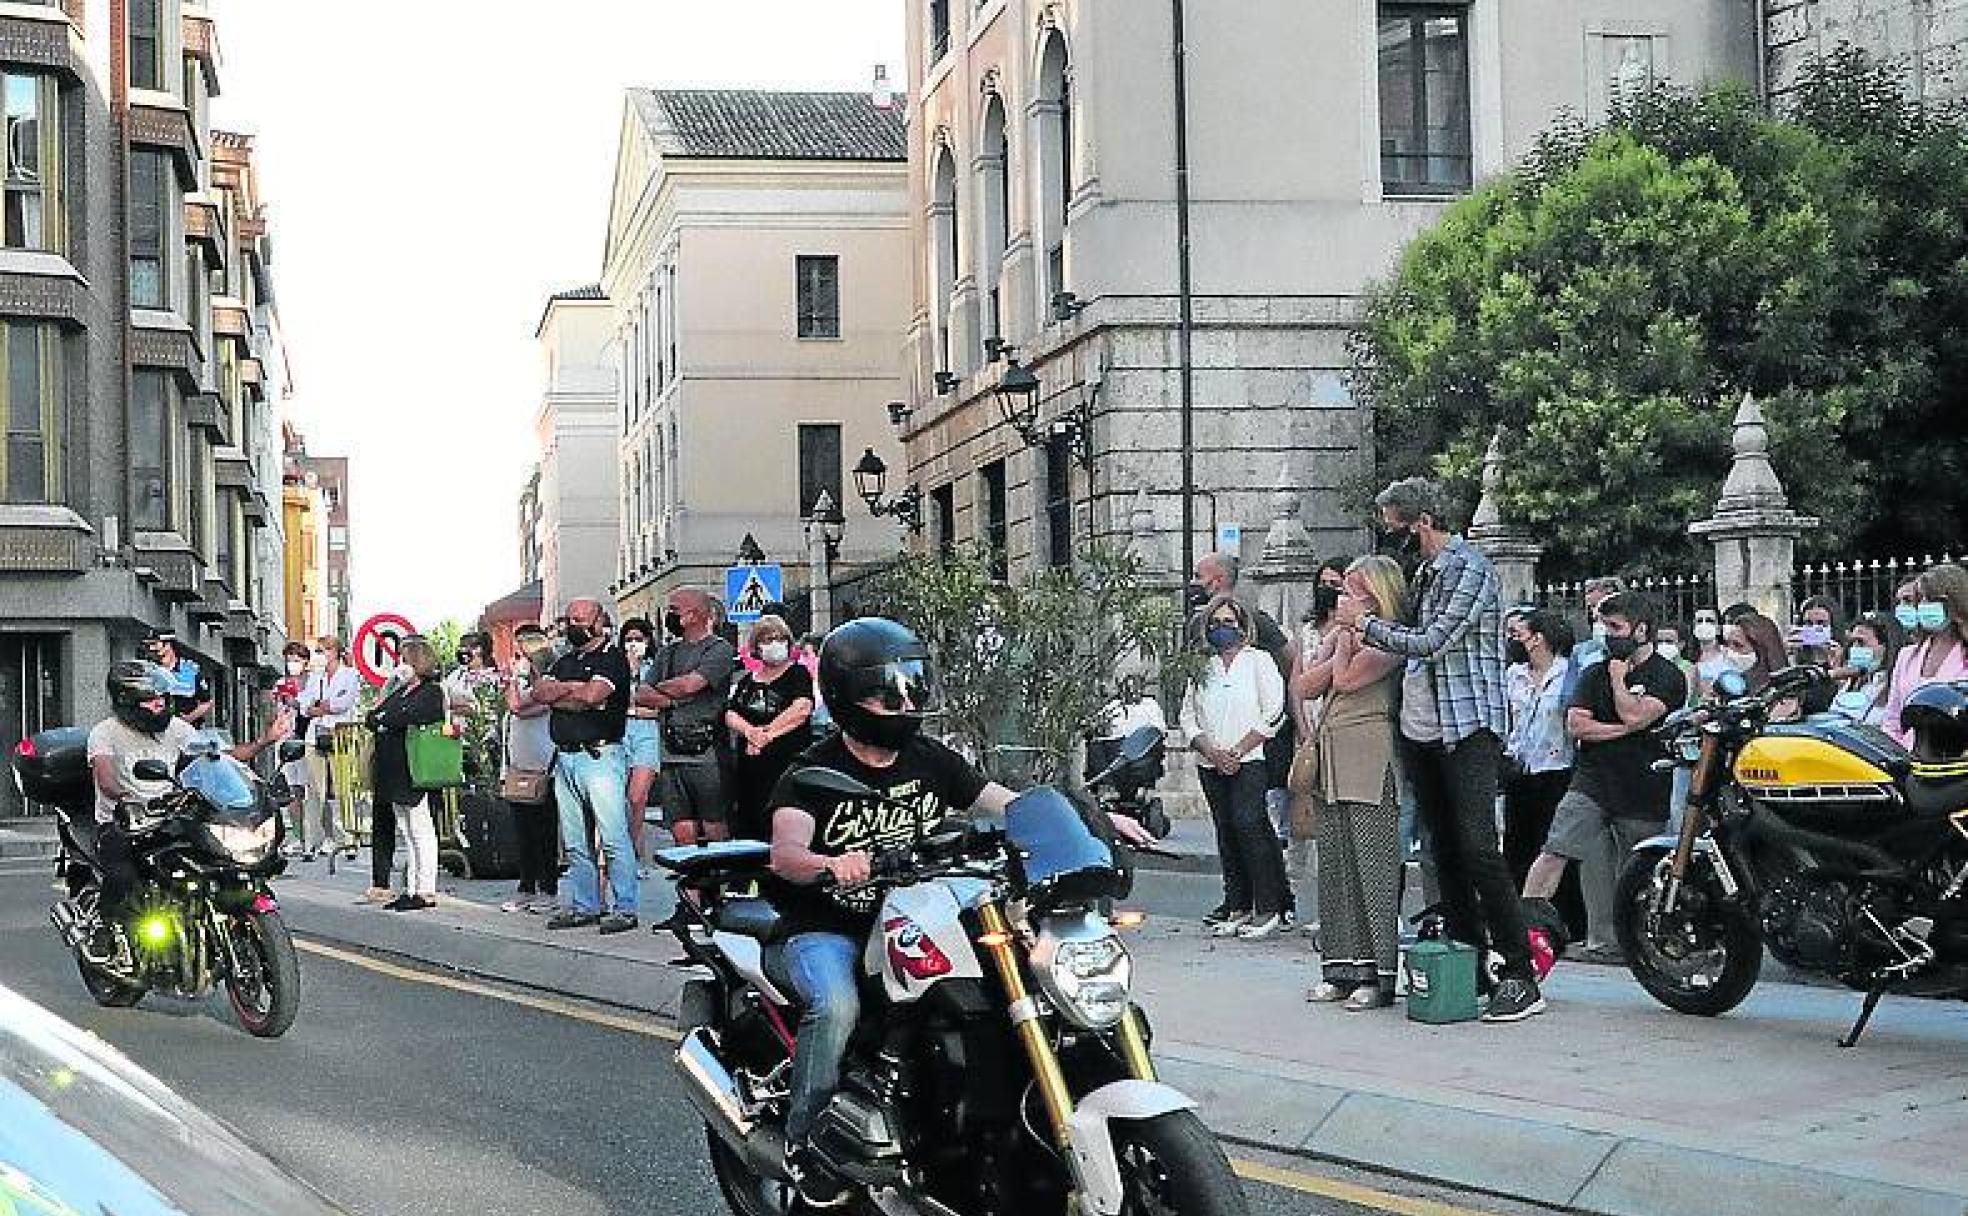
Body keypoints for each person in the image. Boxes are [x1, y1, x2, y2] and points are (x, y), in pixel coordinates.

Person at [764, 617, 1151, 1205]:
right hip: (832, 925)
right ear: (844, 696)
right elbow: (786, 852)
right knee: (837, 1005)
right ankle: (805, 1147)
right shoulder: (813, 774)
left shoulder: (928, 758)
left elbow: (1006, 803)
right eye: (882, 691)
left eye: (911, 686)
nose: (901, 701)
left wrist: (1086, 816)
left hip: (924, 912)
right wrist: (832, 864)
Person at [1330, 476, 1543, 1022]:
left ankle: (1520, 971)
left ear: (1422, 521)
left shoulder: (1468, 568)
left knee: (1477, 847)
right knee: (1442, 851)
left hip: (1467, 726)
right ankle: (1470, 964)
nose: (1391, 538)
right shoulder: (1424, 573)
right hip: (1423, 729)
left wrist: (1366, 624)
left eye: (1395, 526)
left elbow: (1433, 642)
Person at [1522, 593, 1685, 964]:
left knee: (1639, 872)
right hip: (1593, 780)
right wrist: (1623, 728)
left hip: (1643, 787)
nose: (1608, 635)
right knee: (1556, 850)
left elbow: (1635, 714)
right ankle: (1526, 929)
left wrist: (1618, 682)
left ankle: (1638, 945)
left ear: (1641, 630)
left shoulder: (1666, 675)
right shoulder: (1593, 671)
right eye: (1604, 627)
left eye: (1616, 627)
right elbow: (1577, 724)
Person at [87, 662, 292, 938]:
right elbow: (105, 777)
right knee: (123, 876)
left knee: (211, 860)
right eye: (151, 699)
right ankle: (105, 932)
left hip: (172, 815)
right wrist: (126, 798)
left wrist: (265, 741)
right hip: (125, 821)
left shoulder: (177, 729)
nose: (160, 704)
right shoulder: (105, 733)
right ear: (128, 700)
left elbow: (220, 758)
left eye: (162, 697)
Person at [1296, 556, 1404, 1009]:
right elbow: (1305, 685)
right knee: (1336, 863)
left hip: (1370, 749)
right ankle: (1338, 966)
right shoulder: (1342, 634)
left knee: (1371, 865)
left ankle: (1377, 972)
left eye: (1353, 591)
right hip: (1333, 749)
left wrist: (1345, 641)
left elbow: (1344, 677)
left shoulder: (1394, 638)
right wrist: (1341, 638)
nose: (1343, 600)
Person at [1180, 594, 1290, 940]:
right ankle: (1237, 904)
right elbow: (1188, 714)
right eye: (1215, 623)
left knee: (1250, 826)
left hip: (1249, 759)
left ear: (1243, 626)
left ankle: (1270, 905)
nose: (1221, 629)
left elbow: (1274, 709)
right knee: (1226, 832)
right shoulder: (1203, 666)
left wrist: (1239, 750)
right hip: (1209, 761)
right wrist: (1210, 751)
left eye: (1229, 622)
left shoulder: (1257, 661)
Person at [532, 597, 638, 933]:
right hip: (566, 756)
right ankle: (585, 904)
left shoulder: (613, 659)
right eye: (569, 619)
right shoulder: (565, 661)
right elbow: (539, 693)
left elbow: (593, 696)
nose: (573, 625)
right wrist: (571, 692)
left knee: (612, 835)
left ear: (598, 621)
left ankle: (625, 907)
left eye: (580, 619)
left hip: (600, 756)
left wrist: (567, 696)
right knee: (575, 840)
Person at [1499, 609, 1583, 938]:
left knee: (1554, 846)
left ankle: (1563, 921)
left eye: (1522, 633)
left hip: (1557, 768)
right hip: (1520, 768)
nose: (1516, 639)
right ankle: (1520, 920)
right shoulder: (1514, 675)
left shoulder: (1568, 674)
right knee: (1517, 846)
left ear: (1540, 638)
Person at [641, 588, 737, 847]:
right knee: (681, 828)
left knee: (714, 825)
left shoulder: (719, 649)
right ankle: (692, 885)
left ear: (694, 614)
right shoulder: (667, 653)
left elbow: (692, 685)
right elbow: (642, 693)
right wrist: (675, 697)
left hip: (707, 755)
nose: (668, 616)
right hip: (671, 753)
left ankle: (718, 883)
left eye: (674, 610)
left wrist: (671, 691)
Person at [363, 636, 447, 912]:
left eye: (405, 659)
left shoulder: (432, 691)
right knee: (407, 830)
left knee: (421, 827)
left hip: (415, 768)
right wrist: (384, 713)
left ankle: (425, 888)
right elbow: (375, 716)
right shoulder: (400, 691)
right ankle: (411, 887)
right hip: (393, 769)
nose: (400, 665)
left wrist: (386, 717)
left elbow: (406, 716)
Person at [724, 614, 815, 842]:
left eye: (779, 638)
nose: (774, 644)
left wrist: (766, 735)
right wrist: (750, 732)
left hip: (786, 763)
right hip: (751, 769)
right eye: (767, 640)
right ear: (756, 646)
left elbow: (801, 709)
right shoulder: (747, 682)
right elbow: (731, 713)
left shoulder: (798, 674)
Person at [500, 626, 562, 913]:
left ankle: (548, 888)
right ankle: (526, 886)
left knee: (544, 830)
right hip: (520, 764)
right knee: (522, 831)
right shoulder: (525, 685)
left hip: (543, 764)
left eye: (523, 655)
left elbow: (518, 707)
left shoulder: (548, 685)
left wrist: (511, 679)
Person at [1885, 563, 1968, 747]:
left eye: (1932, 600)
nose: (1924, 606)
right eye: (1921, 599)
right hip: (1907, 763)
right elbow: (1892, 720)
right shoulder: (1906, 656)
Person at [297, 635, 363, 863]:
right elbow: (305, 705)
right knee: (315, 791)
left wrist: (322, 706)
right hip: (315, 737)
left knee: (342, 790)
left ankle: (347, 840)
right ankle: (310, 842)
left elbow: (342, 704)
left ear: (334, 651)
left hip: (340, 735)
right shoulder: (316, 678)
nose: (319, 655)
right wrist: (319, 707)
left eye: (322, 650)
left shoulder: (350, 675)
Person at [619, 616, 664, 870]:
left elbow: (657, 707)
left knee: (638, 797)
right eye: (628, 640)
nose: (634, 644)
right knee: (619, 798)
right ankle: (622, 852)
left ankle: (635, 852)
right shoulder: (617, 668)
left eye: (639, 639)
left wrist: (635, 709)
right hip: (620, 735)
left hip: (647, 735)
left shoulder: (655, 669)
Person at [1828, 611, 1901, 726]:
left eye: (1861, 643)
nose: (1854, 648)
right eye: (1853, 642)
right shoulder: (1851, 683)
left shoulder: (1895, 687)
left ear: (1885, 647)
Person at [272, 642, 311, 855]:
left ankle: (317, 835)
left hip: (307, 740)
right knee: (292, 789)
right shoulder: (281, 683)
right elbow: (277, 710)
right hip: (287, 739)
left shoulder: (314, 682)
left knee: (310, 790)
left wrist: (297, 701)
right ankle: (298, 836)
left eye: (297, 659)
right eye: (289, 659)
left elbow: (313, 706)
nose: (292, 664)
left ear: (305, 661)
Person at [146, 631, 215, 726]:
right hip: (157, 729)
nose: (151, 648)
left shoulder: (190, 670)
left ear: (168, 645)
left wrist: (188, 719)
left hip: (187, 730)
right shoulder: (150, 670)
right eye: (150, 645)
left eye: (155, 644)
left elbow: (207, 702)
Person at [1691, 606, 1731, 702]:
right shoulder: (1689, 660)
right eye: (1699, 621)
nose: (1704, 625)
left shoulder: (1730, 654)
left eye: (1709, 621)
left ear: (1718, 628)